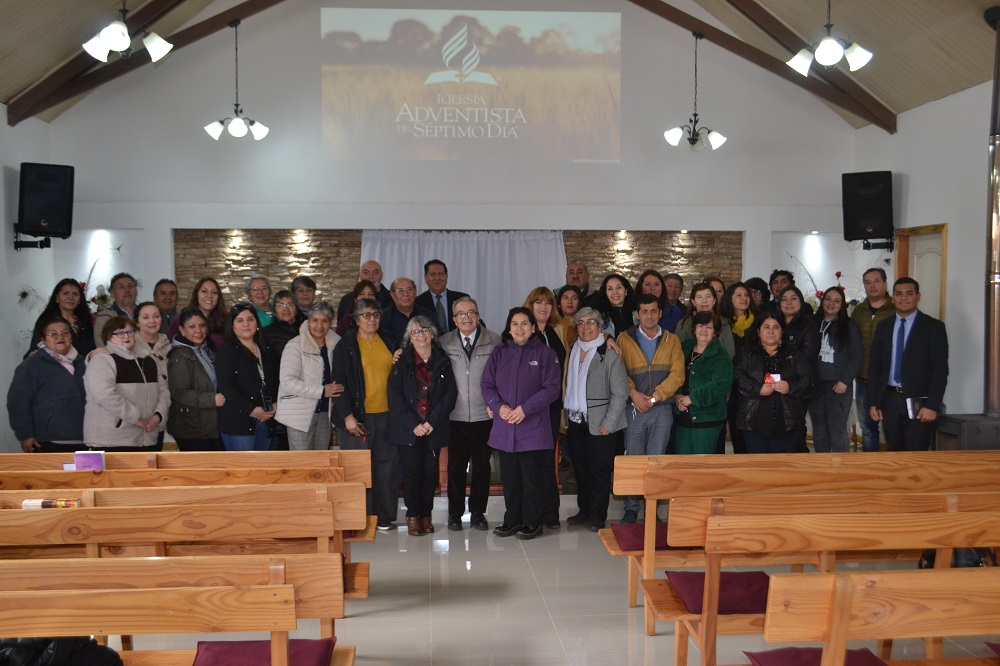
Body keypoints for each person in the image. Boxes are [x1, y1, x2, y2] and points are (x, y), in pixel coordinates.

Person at [481, 307, 561, 541]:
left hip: (532, 427)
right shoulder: (499, 352)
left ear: (533, 328)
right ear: (509, 327)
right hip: (505, 426)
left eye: (525, 323)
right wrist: (498, 406)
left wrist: (525, 409)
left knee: (531, 478)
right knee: (510, 478)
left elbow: (553, 389)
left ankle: (532, 522)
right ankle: (512, 519)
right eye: (514, 324)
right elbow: (487, 385)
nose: (519, 328)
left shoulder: (545, 353)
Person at [331, 298, 399, 530]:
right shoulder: (346, 345)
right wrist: (347, 416)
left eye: (376, 314)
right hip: (357, 418)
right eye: (367, 315)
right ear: (357, 319)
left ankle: (383, 517)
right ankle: (357, 518)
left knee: (386, 468)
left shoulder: (388, 340)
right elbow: (339, 384)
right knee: (357, 470)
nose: (372, 319)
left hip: (387, 415)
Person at [616, 294, 684, 524]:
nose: (649, 316)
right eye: (644, 311)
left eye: (653, 311)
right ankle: (631, 508)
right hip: (634, 408)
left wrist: (655, 397)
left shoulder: (671, 340)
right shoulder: (624, 339)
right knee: (634, 458)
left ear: (660, 313)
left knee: (656, 459)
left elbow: (678, 374)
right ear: (637, 314)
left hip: (661, 409)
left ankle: (651, 507)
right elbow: (618, 372)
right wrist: (634, 394)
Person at [387, 316, 457, 536]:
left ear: (432, 334)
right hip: (409, 430)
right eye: (415, 332)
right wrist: (414, 425)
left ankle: (426, 515)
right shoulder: (402, 362)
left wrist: (431, 422)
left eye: (424, 330)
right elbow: (394, 398)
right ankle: (413, 516)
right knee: (412, 474)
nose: (421, 335)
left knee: (429, 475)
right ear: (410, 337)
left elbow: (450, 395)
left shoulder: (443, 360)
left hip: (433, 428)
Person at [563, 307, 628, 531]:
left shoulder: (610, 353)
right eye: (581, 323)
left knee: (599, 471)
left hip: (601, 424)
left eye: (591, 322)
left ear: (600, 327)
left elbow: (620, 393)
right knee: (581, 468)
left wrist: (609, 424)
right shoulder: (572, 349)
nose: (586, 326)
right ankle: (584, 510)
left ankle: (598, 515)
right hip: (575, 421)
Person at [440, 296, 501, 531]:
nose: (466, 317)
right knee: (455, 467)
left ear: (478, 316)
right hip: (455, 416)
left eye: (471, 313)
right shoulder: (444, 343)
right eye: (461, 314)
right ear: (454, 319)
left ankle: (477, 513)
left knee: (482, 467)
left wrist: (496, 404)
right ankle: (455, 514)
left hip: (484, 416)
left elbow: (501, 378)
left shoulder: (494, 341)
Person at [868, 278, 949, 452]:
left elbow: (940, 371)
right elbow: (875, 367)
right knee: (894, 453)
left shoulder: (933, 327)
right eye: (899, 294)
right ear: (893, 298)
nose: (903, 298)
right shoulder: (884, 326)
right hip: (890, 400)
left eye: (909, 293)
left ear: (918, 296)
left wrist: (932, 405)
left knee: (916, 454)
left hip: (920, 403)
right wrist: (874, 402)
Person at [84, 315, 169, 450]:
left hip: (146, 439)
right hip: (110, 441)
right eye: (119, 333)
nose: (126, 336)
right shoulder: (102, 360)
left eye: (130, 332)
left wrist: (158, 416)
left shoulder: (149, 361)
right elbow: (104, 395)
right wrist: (135, 418)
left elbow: (164, 392)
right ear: (108, 337)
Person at [522, 286, 568, 529]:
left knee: (547, 461)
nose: (543, 307)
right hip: (530, 409)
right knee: (533, 462)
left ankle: (550, 514)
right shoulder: (522, 335)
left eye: (548, 303)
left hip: (551, 408)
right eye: (537, 302)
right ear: (530, 306)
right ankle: (534, 514)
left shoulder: (556, 331)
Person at [734, 314, 813, 453]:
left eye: (776, 327)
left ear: (782, 331)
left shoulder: (794, 354)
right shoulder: (747, 352)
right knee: (758, 468)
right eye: (766, 327)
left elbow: (807, 380)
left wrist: (790, 387)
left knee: (783, 469)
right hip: (754, 422)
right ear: (758, 331)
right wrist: (758, 389)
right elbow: (738, 377)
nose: (771, 331)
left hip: (788, 422)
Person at [8, 316, 87, 453]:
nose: (60, 337)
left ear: (71, 337)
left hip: (85, 439)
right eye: (53, 334)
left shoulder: (83, 363)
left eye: (65, 333)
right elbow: (17, 403)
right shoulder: (31, 366)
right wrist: (25, 435)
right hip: (48, 441)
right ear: (43, 340)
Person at [276, 301, 344, 451]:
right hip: (299, 415)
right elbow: (287, 382)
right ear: (308, 321)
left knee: (321, 463)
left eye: (324, 321)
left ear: (330, 323)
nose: (319, 325)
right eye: (315, 320)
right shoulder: (294, 345)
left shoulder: (337, 345)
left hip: (325, 413)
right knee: (302, 464)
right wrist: (321, 391)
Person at [216, 303, 278, 451]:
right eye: (240, 320)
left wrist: (275, 404)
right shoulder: (226, 351)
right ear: (232, 325)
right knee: (242, 472)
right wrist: (251, 409)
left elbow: (277, 379)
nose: (246, 324)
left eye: (250, 319)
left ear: (257, 322)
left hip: (266, 418)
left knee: (262, 469)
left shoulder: (267, 348)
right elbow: (226, 386)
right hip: (238, 423)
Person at [809, 286, 862, 452]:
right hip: (815, 386)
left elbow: (856, 357)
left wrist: (844, 381)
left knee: (837, 429)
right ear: (822, 301)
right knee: (819, 428)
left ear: (842, 305)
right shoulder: (812, 323)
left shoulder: (849, 327)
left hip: (838, 386)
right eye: (828, 299)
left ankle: (841, 470)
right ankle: (823, 468)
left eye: (837, 301)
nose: (831, 303)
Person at [673, 311, 733, 454]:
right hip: (682, 418)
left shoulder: (721, 356)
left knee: (701, 468)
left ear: (716, 332)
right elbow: (672, 374)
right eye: (700, 326)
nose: (704, 330)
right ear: (694, 328)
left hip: (708, 418)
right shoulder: (683, 348)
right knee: (682, 464)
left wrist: (692, 398)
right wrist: (676, 396)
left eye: (709, 327)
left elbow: (720, 386)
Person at [850, 268, 896, 452]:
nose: (872, 286)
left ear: (885, 283)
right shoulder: (858, 311)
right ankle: (871, 467)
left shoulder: (896, 309)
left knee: (894, 427)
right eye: (867, 282)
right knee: (868, 428)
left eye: (876, 281)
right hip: (864, 380)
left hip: (891, 381)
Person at [166, 307, 224, 451]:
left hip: (209, 423)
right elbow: (179, 392)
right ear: (182, 330)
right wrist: (211, 399)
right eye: (192, 326)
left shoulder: (208, 349)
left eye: (202, 325)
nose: (198, 330)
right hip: (191, 428)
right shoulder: (180, 356)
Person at [777, 285, 820, 451]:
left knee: (796, 428)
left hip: (799, 386)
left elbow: (806, 358)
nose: (789, 303)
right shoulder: (775, 322)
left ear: (801, 302)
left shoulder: (808, 325)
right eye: (784, 299)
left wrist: (784, 357)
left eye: (793, 298)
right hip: (779, 384)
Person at [720, 281, 756, 454]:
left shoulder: (759, 322)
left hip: (754, 386)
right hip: (732, 387)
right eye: (739, 295)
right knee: (736, 434)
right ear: (730, 299)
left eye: (746, 295)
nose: (744, 298)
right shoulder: (723, 325)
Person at [25, 278, 96, 359]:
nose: (71, 297)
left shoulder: (85, 321)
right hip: (57, 369)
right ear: (57, 297)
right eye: (65, 293)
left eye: (75, 294)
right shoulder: (46, 322)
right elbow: (34, 351)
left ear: (80, 299)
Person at [675, 282, 736, 359]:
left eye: (708, 296)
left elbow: (729, 352)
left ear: (714, 301)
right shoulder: (683, 324)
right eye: (699, 297)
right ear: (693, 302)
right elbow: (677, 352)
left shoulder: (724, 323)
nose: (704, 301)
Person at [168, 277, 227, 349]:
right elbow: (169, 346)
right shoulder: (181, 319)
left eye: (214, 292)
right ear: (197, 294)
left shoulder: (225, 321)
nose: (209, 296)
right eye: (204, 291)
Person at [414, 259, 470, 334]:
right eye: (432, 274)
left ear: (446, 276)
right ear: (425, 278)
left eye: (441, 274)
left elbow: (474, 320)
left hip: (458, 342)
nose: (437, 278)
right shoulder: (418, 302)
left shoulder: (461, 298)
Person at [380, 277, 435, 347]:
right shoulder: (383, 318)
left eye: (409, 290)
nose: (405, 294)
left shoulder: (428, 315)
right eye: (400, 291)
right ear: (392, 295)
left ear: (415, 292)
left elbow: (438, 340)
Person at [93, 272, 138, 346]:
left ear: (136, 292)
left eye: (130, 286)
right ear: (112, 294)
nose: (127, 290)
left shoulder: (145, 314)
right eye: (121, 287)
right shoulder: (105, 317)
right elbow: (104, 347)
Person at [636, 269, 683, 333]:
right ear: (640, 287)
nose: (652, 288)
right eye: (647, 284)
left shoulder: (675, 311)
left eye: (657, 284)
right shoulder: (631, 310)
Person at [262, 290, 300, 359]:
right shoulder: (265, 333)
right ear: (274, 310)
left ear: (296, 310)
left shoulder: (305, 329)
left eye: (290, 305)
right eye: (280, 305)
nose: (285, 309)